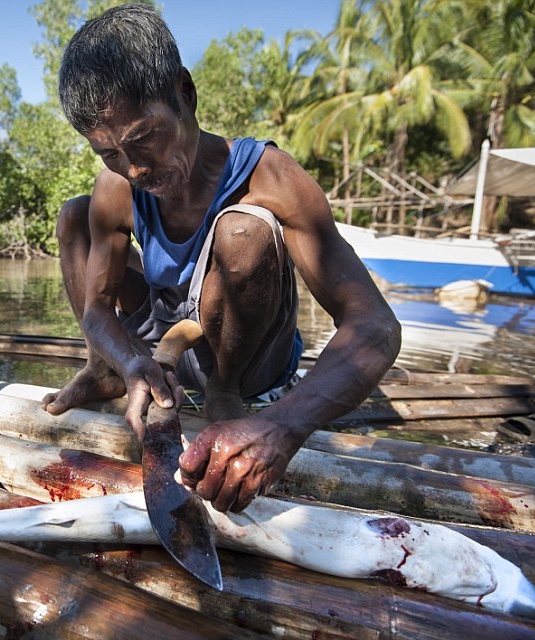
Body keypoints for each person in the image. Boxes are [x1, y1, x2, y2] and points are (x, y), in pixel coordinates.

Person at [42, 4, 401, 514]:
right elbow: (98, 309)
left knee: (242, 231)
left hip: (246, 359)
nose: (135, 169)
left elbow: (375, 326)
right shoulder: (118, 188)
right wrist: (129, 360)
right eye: (110, 154)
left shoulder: (270, 176)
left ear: (185, 93)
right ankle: (106, 369)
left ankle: (224, 389)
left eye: (143, 138)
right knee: (76, 215)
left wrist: (282, 425)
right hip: (165, 339)